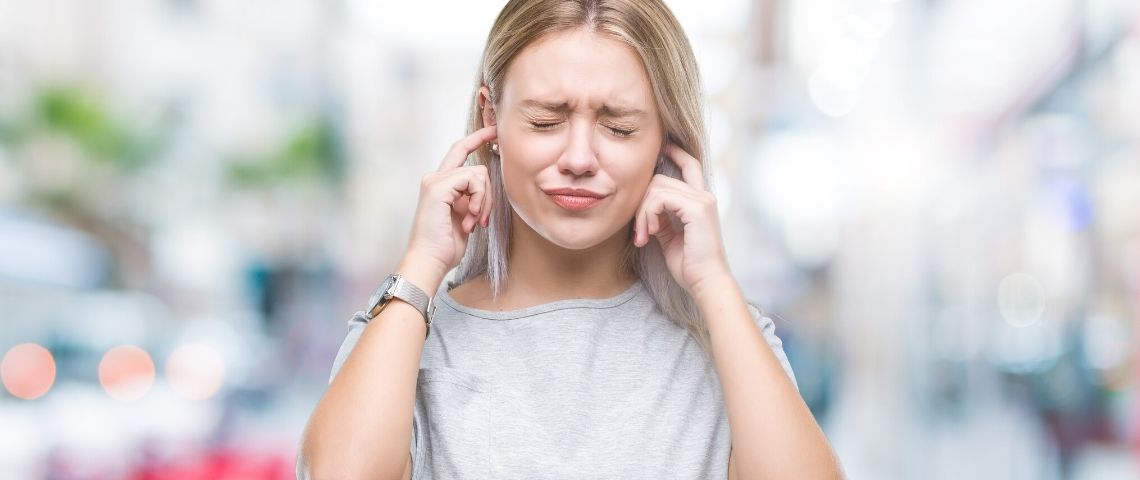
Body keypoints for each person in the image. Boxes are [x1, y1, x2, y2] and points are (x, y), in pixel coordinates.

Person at [298, 0, 842, 478]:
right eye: (545, 121)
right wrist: (422, 262)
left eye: (619, 127)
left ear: (665, 140)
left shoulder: (728, 341)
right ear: (492, 117)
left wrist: (714, 283)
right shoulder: (402, 331)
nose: (579, 159)